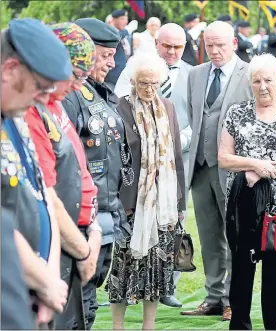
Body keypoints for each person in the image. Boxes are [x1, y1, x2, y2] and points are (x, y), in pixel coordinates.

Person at [23, 22, 103, 330]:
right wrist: (83, 250)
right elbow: (46, 196)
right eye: (77, 75)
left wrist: (93, 230)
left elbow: (81, 174)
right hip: (56, 249)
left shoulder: (56, 106)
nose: (79, 85)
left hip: (75, 240)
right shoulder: (32, 113)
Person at [218, 53, 276, 330]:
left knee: (275, 269)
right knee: (242, 265)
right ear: (250, 83)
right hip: (243, 199)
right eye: (257, 81)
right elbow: (224, 158)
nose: (263, 86)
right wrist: (254, 164)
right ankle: (240, 324)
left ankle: (274, 326)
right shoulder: (236, 112)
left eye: (268, 80)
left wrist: (267, 170)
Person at [105, 51, 186, 330]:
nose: (149, 89)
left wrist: (180, 202)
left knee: (157, 265)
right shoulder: (120, 108)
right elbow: (117, 157)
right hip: (130, 202)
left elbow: (176, 155)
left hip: (163, 204)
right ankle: (118, 325)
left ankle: (148, 325)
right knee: (123, 265)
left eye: (154, 83)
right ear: (132, 81)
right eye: (143, 83)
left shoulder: (169, 107)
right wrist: (121, 202)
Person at [115, 22, 193, 308]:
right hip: (137, 175)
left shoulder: (190, 74)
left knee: (170, 232)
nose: (172, 52)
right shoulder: (132, 73)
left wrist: (181, 138)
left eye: (178, 47)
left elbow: (196, 116)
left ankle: (167, 288)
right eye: (167, 46)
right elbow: (121, 114)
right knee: (131, 240)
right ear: (156, 43)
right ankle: (128, 291)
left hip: (173, 168)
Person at [0, 18, 71, 329]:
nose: (45, 99)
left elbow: (43, 197)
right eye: (40, 87)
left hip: (29, 297)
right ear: (9, 69)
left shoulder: (15, 118)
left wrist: (49, 279)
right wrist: (45, 281)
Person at [61, 17, 130, 329]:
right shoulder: (69, 95)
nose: (112, 63)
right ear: (83, 56)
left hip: (104, 213)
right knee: (79, 305)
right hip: (81, 217)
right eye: (105, 56)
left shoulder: (101, 92)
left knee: (89, 299)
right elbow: (66, 163)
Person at [181, 20, 253, 321]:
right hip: (199, 168)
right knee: (209, 236)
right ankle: (212, 296)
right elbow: (194, 117)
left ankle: (232, 300)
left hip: (233, 170)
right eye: (209, 45)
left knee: (234, 235)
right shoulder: (196, 74)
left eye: (220, 44)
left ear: (234, 43)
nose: (214, 50)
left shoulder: (250, 74)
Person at [104, 9, 138, 90]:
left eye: (126, 19)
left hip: (126, 77)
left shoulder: (126, 35)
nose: (125, 22)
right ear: (113, 20)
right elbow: (115, 37)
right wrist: (127, 30)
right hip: (112, 77)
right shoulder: (110, 32)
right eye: (122, 19)